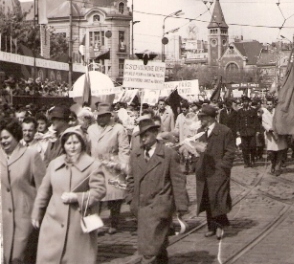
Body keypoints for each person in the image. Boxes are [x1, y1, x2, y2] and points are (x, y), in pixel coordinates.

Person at [32, 126, 106, 264]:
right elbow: (44, 191)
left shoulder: (93, 165)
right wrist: (37, 212)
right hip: (53, 222)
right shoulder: (54, 164)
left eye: (75, 142)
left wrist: (78, 197)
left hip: (78, 224)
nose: (72, 147)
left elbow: (99, 191)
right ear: (63, 145)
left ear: (82, 144)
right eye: (68, 143)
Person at [127, 118, 188, 263]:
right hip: (141, 208)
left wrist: (181, 206)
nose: (142, 138)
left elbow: (178, 182)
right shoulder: (136, 154)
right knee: (156, 246)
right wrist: (130, 199)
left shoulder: (168, 154)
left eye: (146, 135)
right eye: (140, 135)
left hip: (160, 207)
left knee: (149, 250)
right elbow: (130, 179)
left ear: (155, 133)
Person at [1, 118, 46, 264]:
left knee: (20, 258)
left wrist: (39, 212)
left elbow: (43, 188)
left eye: (6, 137)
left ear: (15, 136)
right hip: (2, 219)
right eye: (0, 138)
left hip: (25, 217)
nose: (3, 141)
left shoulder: (31, 155)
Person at [87, 102, 130, 234]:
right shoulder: (91, 129)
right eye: (99, 116)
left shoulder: (118, 128)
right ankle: (95, 225)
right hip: (95, 165)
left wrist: (124, 165)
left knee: (114, 197)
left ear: (109, 116)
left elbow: (124, 149)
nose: (101, 118)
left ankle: (114, 222)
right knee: (95, 197)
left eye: (104, 116)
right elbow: (87, 148)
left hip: (112, 164)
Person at [196, 104, 235, 239]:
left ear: (210, 118)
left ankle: (219, 227)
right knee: (206, 198)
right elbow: (199, 148)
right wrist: (196, 149)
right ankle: (211, 226)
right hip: (204, 170)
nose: (200, 120)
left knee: (217, 198)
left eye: (202, 117)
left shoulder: (225, 131)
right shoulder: (200, 131)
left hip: (218, 171)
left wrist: (223, 167)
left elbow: (230, 151)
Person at [261, 99, 288, 176]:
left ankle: (277, 168)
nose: (269, 106)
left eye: (270, 104)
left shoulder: (278, 112)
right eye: (268, 104)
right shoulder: (264, 113)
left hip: (279, 134)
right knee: (271, 153)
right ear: (266, 105)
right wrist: (269, 129)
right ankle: (273, 164)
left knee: (279, 151)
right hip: (270, 135)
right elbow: (264, 123)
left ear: (273, 105)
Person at [237, 96, 258, 167]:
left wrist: (256, 130)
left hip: (251, 132)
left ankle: (252, 160)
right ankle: (246, 162)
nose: (245, 103)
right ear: (242, 103)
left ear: (249, 102)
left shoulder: (253, 110)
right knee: (244, 148)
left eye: (246, 101)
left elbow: (256, 121)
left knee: (252, 146)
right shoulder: (239, 111)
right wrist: (238, 130)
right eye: (243, 102)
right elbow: (238, 121)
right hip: (243, 132)